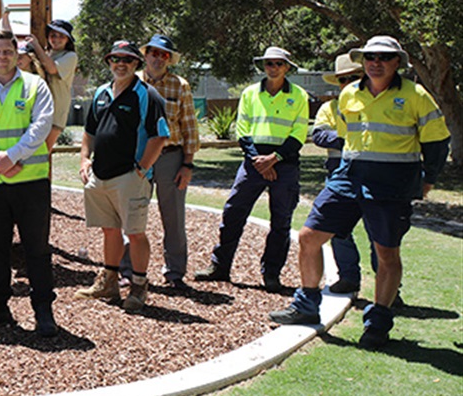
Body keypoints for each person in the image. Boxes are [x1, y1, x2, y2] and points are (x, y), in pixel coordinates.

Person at [271, 36, 450, 349]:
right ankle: (307, 304)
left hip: (391, 186)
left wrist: (428, 178)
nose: (375, 62)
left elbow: (437, 141)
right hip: (347, 179)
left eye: (384, 57)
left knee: (386, 255)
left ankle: (378, 323)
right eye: (370, 56)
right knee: (309, 237)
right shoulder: (349, 95)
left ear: (397, 63)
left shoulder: (416, 95)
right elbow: (344, 137)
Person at [0, 30, 58, 336]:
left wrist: (14, 156)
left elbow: (41, 125)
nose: (2, 56)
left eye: (8, 51)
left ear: (17, 54)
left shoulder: (35, 85)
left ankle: (43, 311)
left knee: (37, 249)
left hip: (30, 181)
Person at [195, 47, 309, 292]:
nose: (274, 67)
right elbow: (242, 130)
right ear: (263, 66)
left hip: (284, 165)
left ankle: (271, 275)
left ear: (287, 67)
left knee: (281, 222)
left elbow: (299, 134)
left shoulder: (299, 95)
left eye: (279, 63)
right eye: (269, 63)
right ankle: (220, 267)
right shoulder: (249, 93)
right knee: (233, 212)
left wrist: (274, 158)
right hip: (253, 163)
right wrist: (259, 160)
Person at [75, 41, 169, 312]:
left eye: (127, 60)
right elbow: (89, 131)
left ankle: (139, 286)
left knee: (135, 232)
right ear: (108, 62)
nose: (121, 64)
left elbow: (159, 135)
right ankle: (109, 281)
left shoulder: (147, 95)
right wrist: (84, 159)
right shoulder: (101, 93)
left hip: (131, 176)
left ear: (136, 64)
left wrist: (141, 169)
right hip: (100, 176)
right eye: (115, 59)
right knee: (109, 229)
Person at [119, 34, 200, 289]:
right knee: (131, 214)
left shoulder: (180, 86)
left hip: (171, 158)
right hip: (137, 157)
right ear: (145, 55)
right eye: (153, 53)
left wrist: (187, 165)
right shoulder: (131, 82)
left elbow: (189, 128)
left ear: (169, 59)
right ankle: (126, 270)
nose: (157, 58)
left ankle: (175, 273)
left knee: (173, 217)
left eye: (163, 54)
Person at [310, 53, 377, 295]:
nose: (348, 82)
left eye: (354, 77)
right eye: (343, 79)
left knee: (378, 233)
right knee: (338, 231)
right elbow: (318, 135)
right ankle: (349, 278)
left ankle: (388, 289)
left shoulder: (376, 104)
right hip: (339, 173)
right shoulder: (330, 107)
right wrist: (349, 140)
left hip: (374, 176)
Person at [27, 19, 78, 149]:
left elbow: (51, 69)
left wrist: (37, 46)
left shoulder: (70, 56)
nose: (56, 39)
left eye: (61, 36)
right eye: (53, 35)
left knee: (43, 152)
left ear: (68, 39)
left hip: (56, 112)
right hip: (38, 108)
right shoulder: (46, 53)